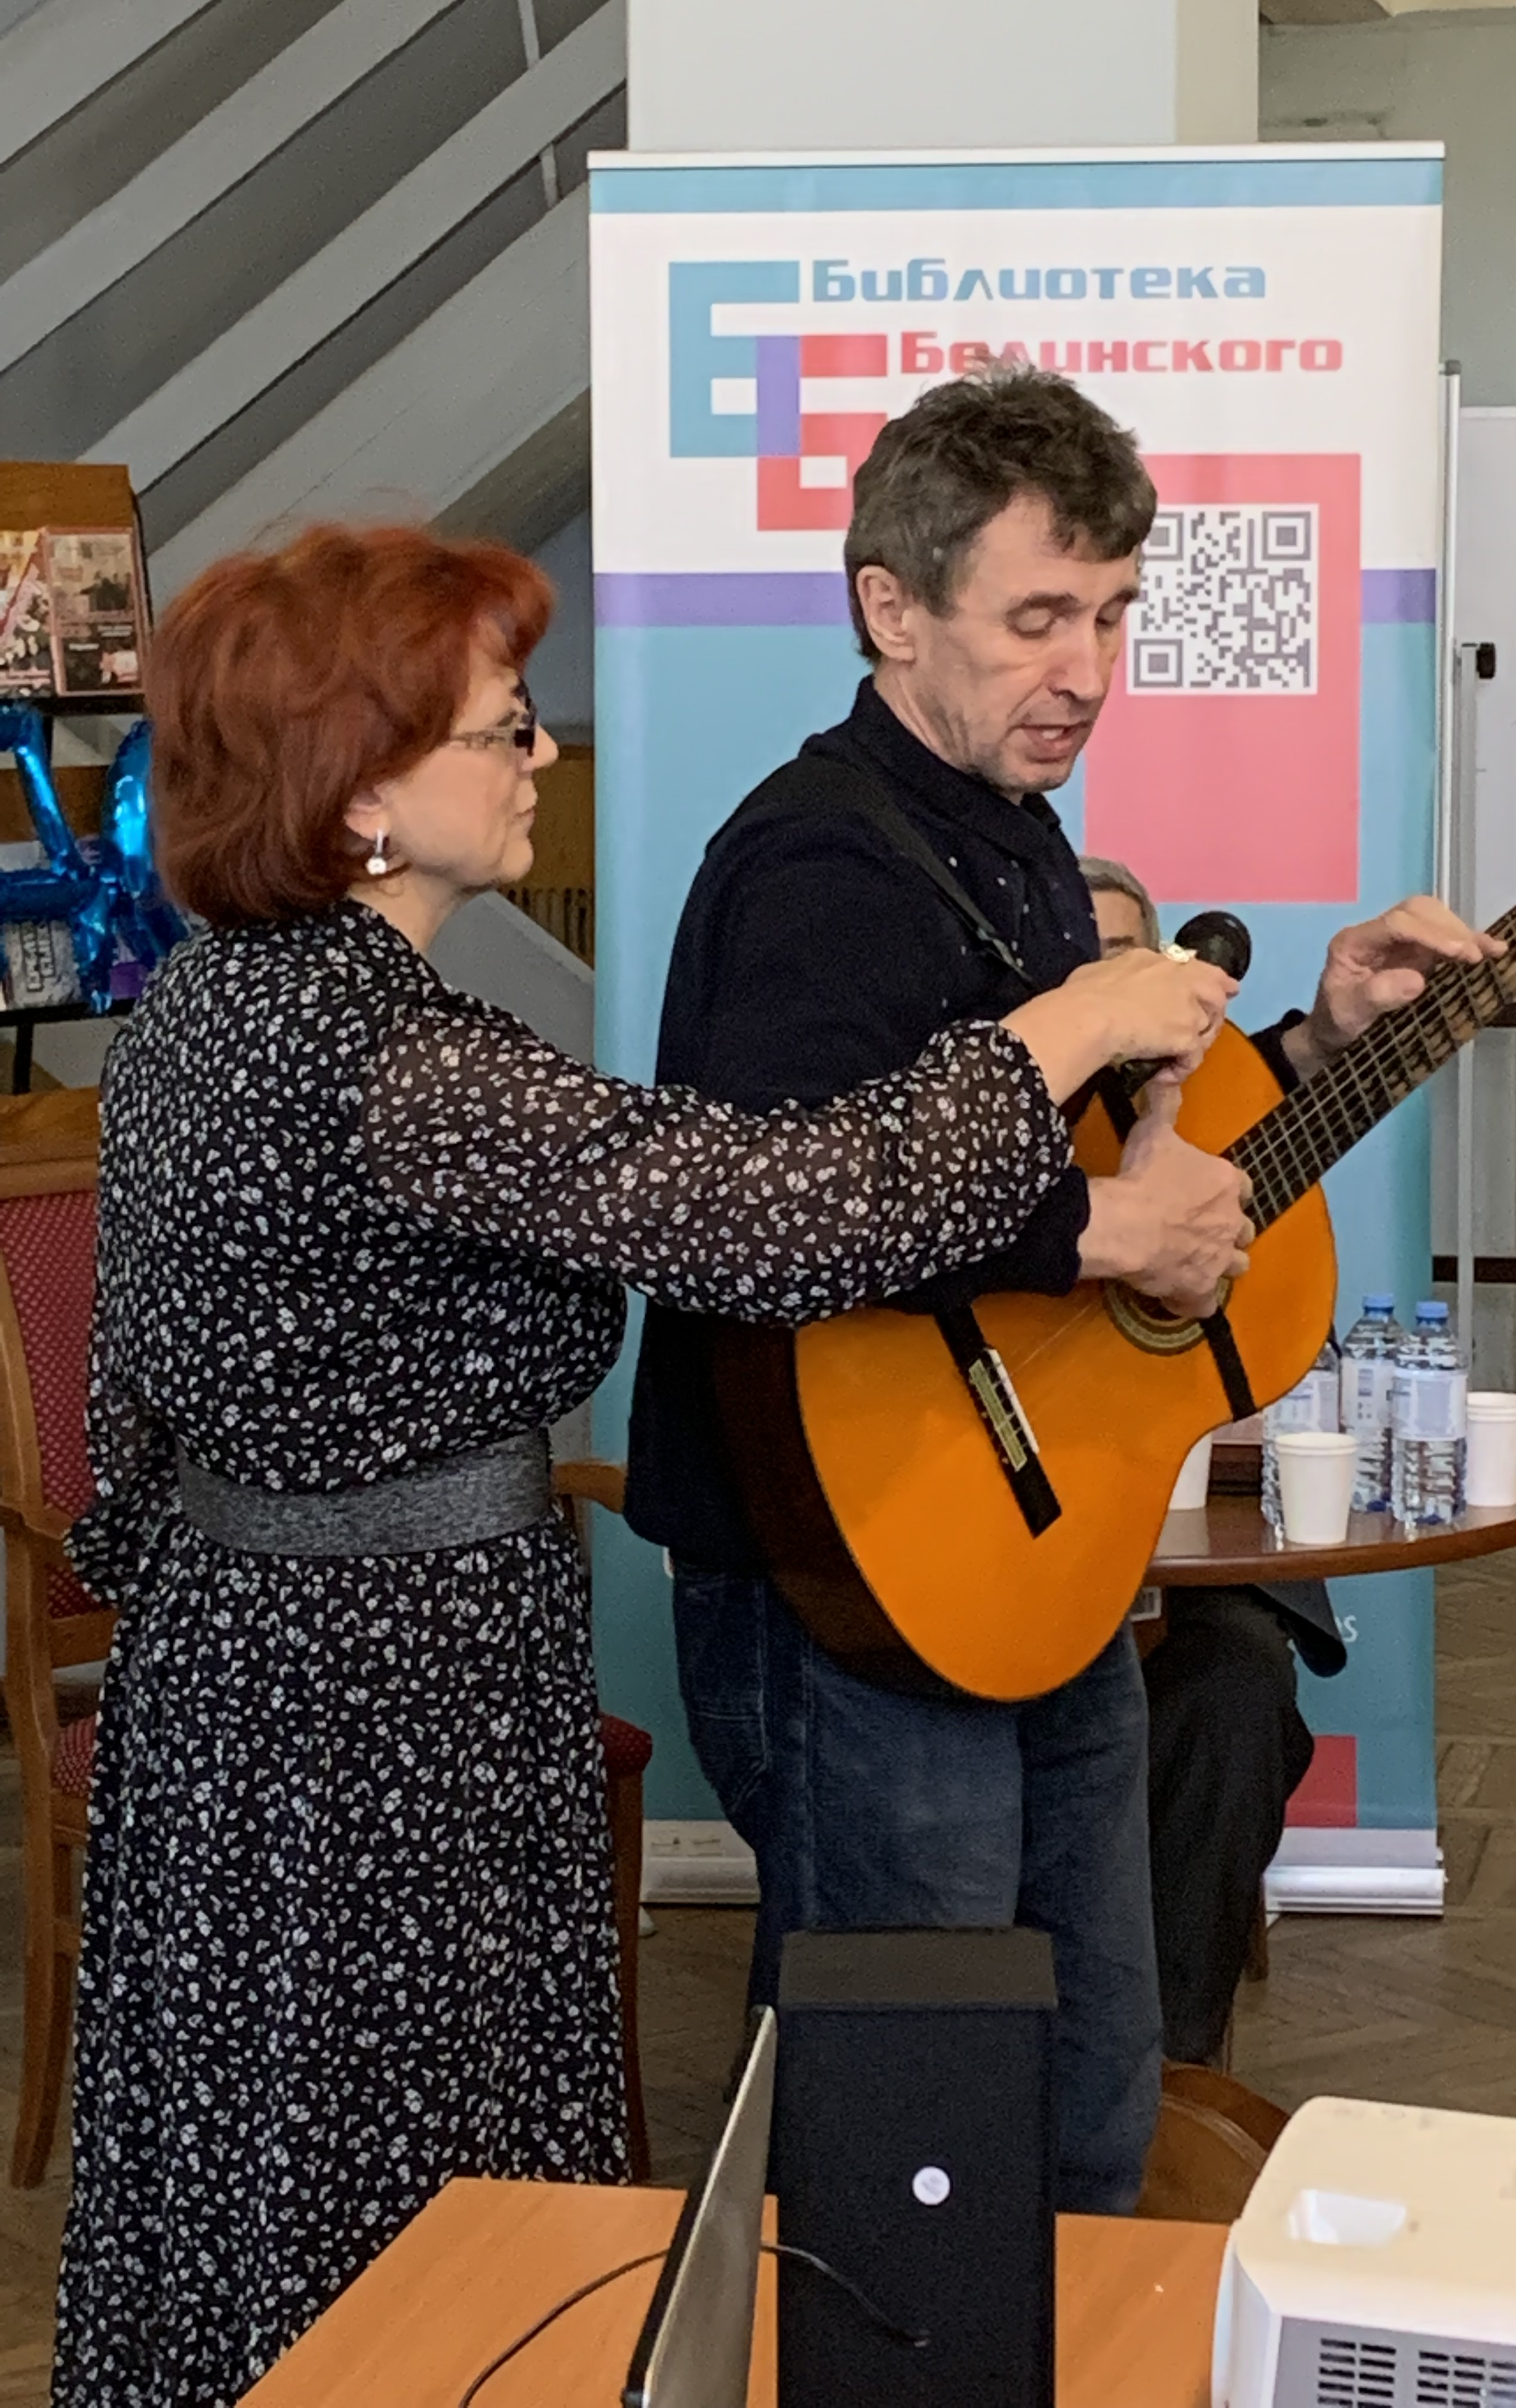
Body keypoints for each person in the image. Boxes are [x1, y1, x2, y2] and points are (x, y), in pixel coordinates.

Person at [51, 521, 1242, 2408]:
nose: (541, 754)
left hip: (238, 1675)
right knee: (425, 2212)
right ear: (360, 791)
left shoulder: (199, 1012)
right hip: (395, 1707)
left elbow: (134, 1409)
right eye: (501, 727)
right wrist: (1073, 1026)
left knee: (259, 2179)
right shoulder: (396, 1065)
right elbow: (780, 1214)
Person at [627, 363, 1500, 2214]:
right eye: (1037, 618)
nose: (1088, 670)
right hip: (860, 1569)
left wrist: (1313, 1045)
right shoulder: (814, 865)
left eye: (1111, 615)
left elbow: (1096, 1158)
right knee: (911, 2149)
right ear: (892, 607)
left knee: (1096, 2097)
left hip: (1039, 1558)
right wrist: (1097, 1241)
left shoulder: (1013, 834)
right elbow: (782, 1214)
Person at [1078, 851, 1347, 2068]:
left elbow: (1287, 1365)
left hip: (1193, 1575)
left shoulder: (1226, 1122)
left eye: (1122, 962)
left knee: (1237, 1691)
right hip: (1025, 1561)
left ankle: (1172, 2077)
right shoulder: (991, 1144)